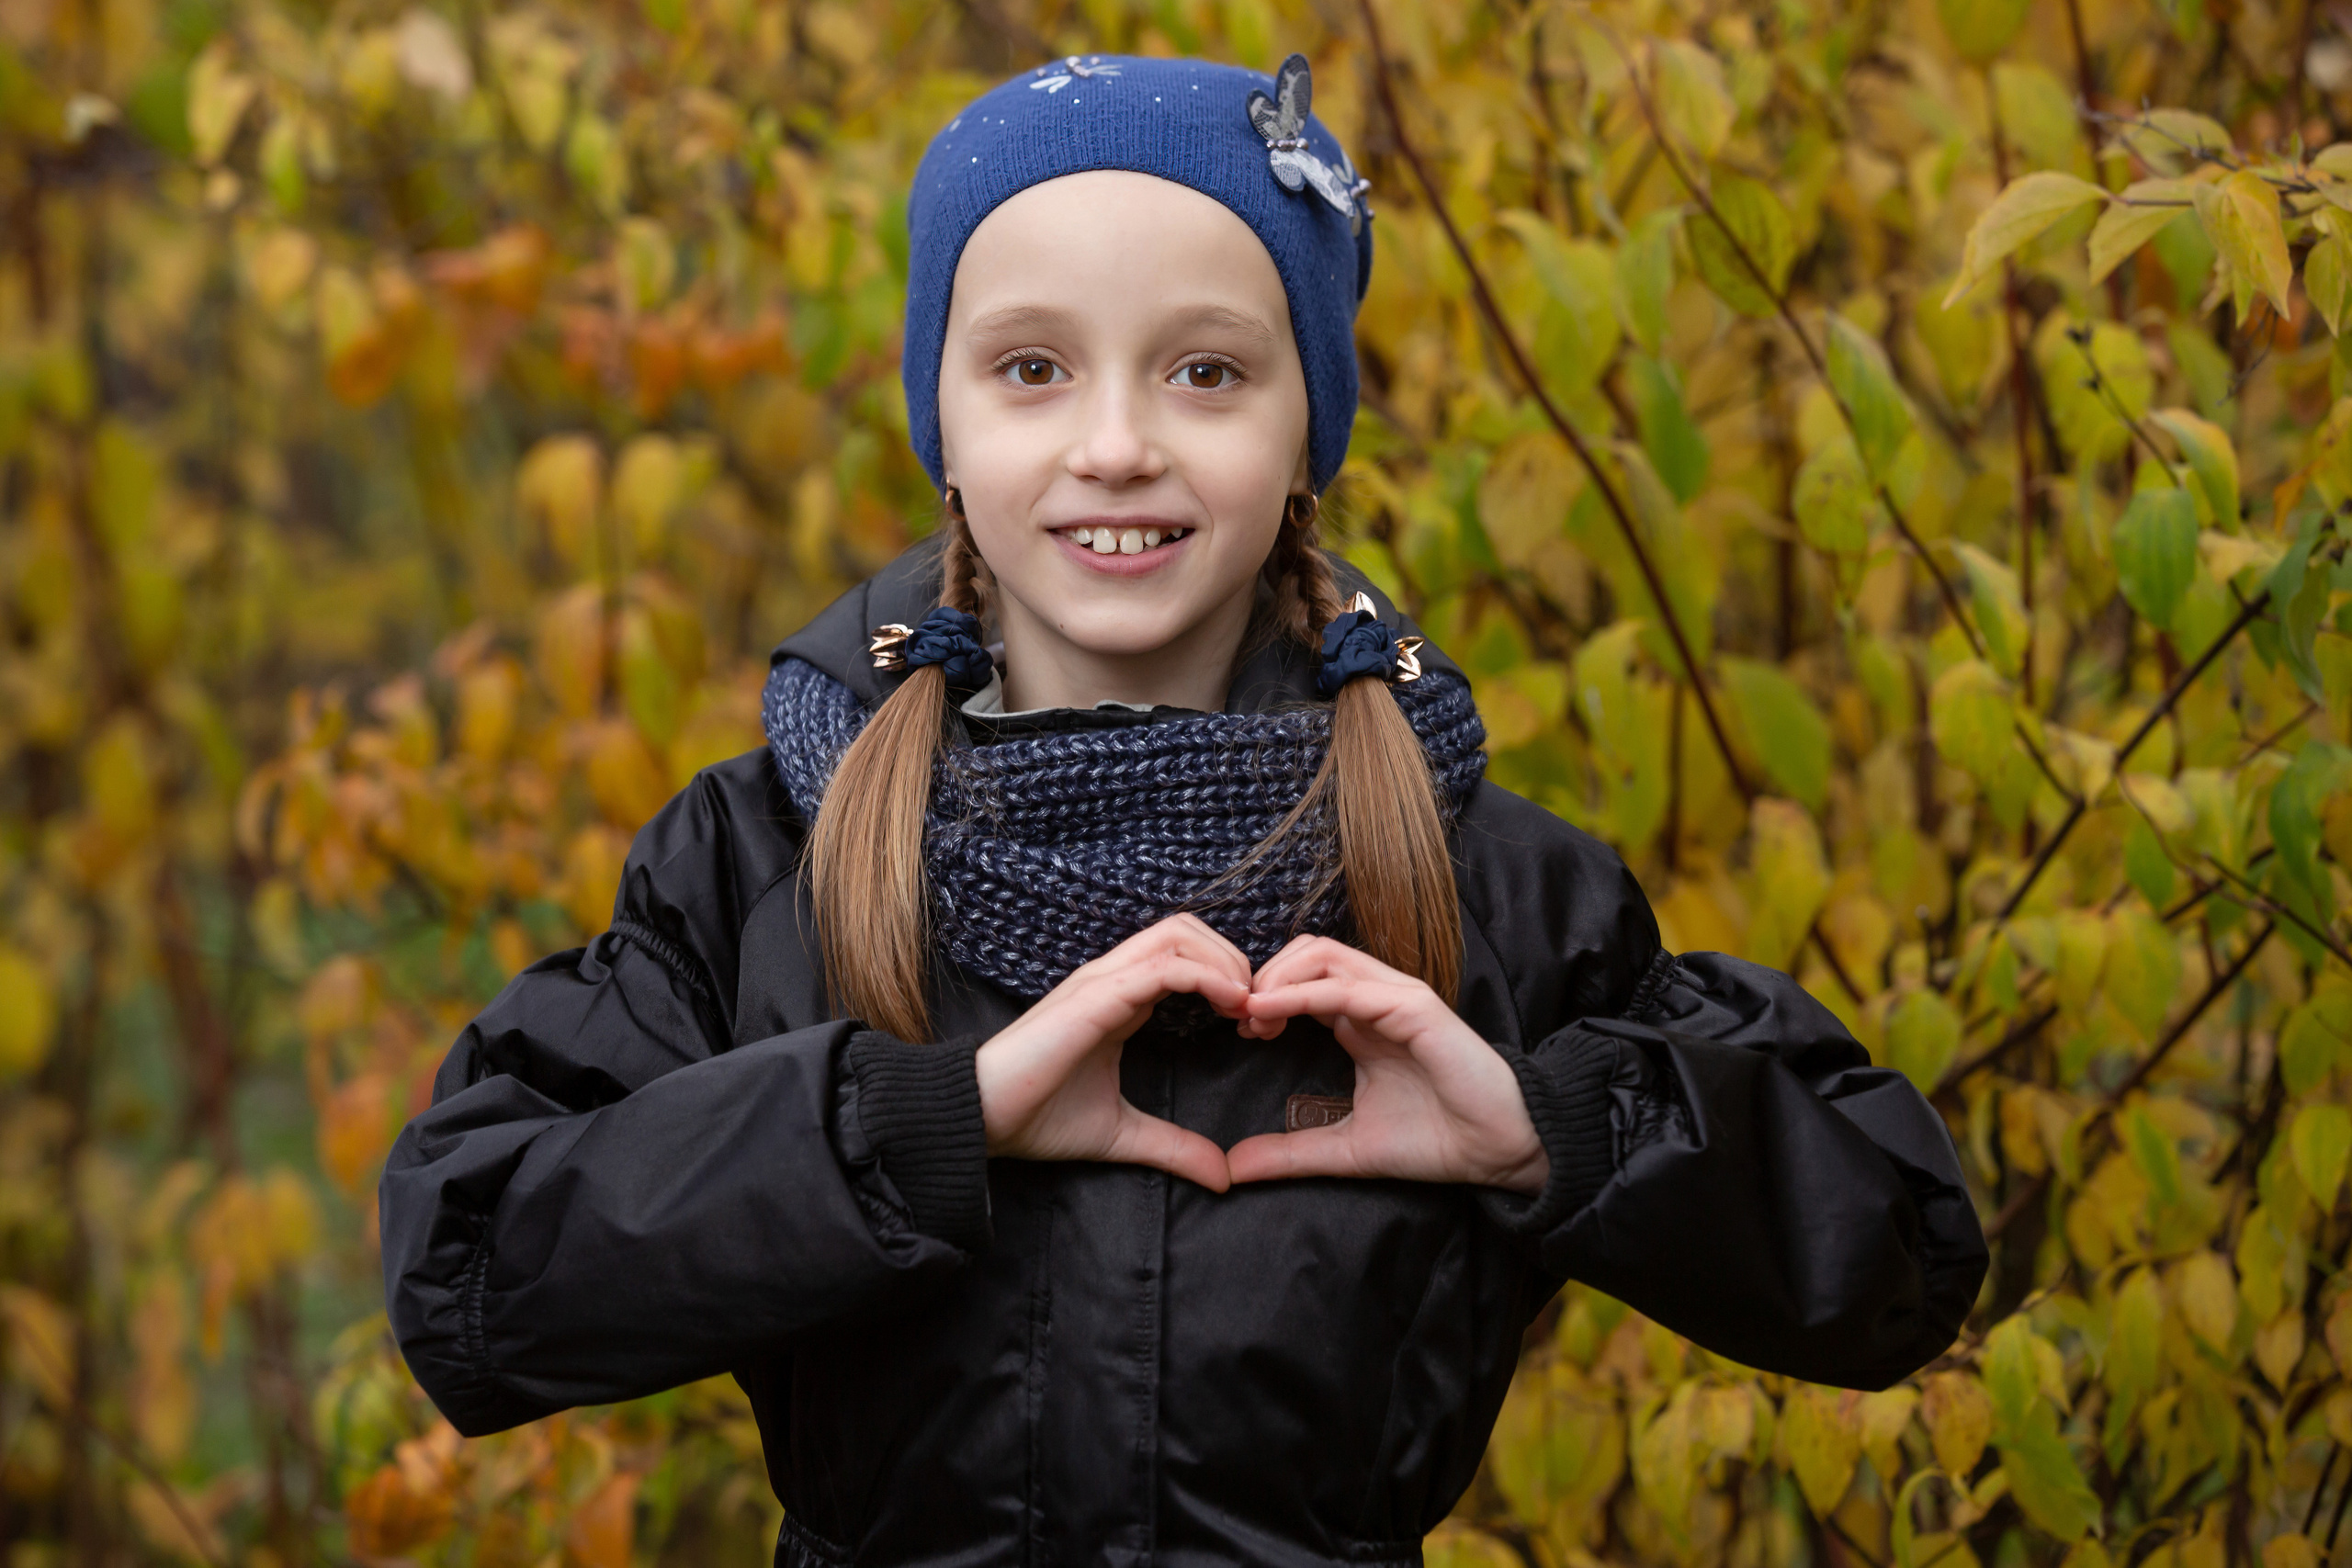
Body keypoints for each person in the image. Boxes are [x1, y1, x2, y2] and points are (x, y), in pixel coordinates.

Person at [380, 51, 1988, 1566]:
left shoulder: (1484, 886)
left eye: (1208, 371)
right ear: (940, 416)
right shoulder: (766, 861)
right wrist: (926, 1124)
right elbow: (472, 1276)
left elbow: (1899, 1260)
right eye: (1030, 368)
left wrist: (1551, 1134)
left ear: (1310, 427)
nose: (1117, 444)